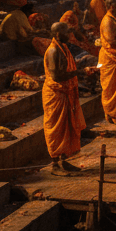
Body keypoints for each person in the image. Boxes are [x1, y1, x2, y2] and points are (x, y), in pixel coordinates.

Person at [42, 23, 86, 175]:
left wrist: (78, 69)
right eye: (67, 32)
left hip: (65, 92)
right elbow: (57, 76)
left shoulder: (63, 47)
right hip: (56, 94)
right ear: (59, 34)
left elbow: (66, 68)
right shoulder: (53, 50)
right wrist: (79, 72)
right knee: (57, 129)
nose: (69, 34)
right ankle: (55, 165)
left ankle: (64, 161)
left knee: (66, 127)